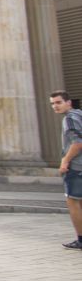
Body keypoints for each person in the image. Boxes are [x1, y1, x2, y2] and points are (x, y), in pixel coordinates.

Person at [52, 91, 82, 250]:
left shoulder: (69, 119)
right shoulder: (79, 115)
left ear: (68, 102)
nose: (55, 106)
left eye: (58, 102)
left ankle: (81, 239)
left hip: (76, 167)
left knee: (73, 202)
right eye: (52, 103)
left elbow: (77, 143)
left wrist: (65, 161)